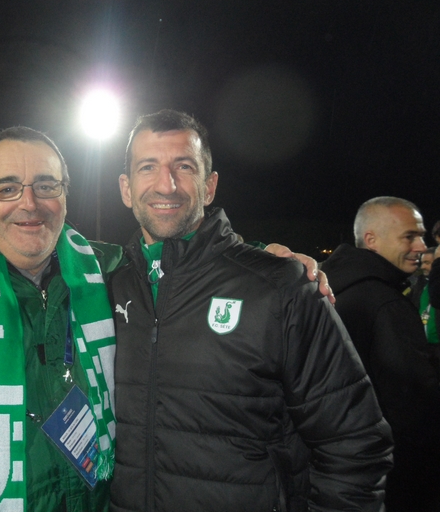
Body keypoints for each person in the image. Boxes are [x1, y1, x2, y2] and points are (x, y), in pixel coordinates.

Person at [0, 126, 328, 512]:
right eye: (7, 188)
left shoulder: (108, 268)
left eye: (46, 185)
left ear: (66, 194)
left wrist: (266, 257)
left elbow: (184, 265)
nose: (30, 203)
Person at [108, 110, 393, 512]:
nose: (165, 184)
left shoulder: (280, 288)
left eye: (184, 166)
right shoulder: (108, 286)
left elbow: (355, 443)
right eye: (147, 167)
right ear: (126, 188)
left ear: (210, 186)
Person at [321, 197, 440, 511]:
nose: (421, 247)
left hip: (338, 466)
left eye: (422, 236)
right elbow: (414, 405)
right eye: (409, 236)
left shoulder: (332, 288)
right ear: (371, 240)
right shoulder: (384, 302)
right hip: (392, 474)